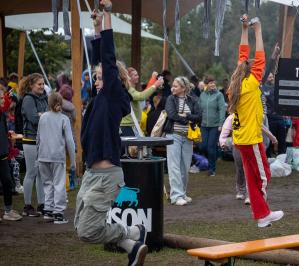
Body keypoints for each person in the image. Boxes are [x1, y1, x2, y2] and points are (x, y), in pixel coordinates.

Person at [74, 3, 148, 265]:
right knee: (79, 226)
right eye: (95, 77)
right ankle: (132, 247)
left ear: (114, 78)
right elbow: (98, 60)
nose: (95, 81)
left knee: (87, 231)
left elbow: (107, 56)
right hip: (91, 175)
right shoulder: (98, 99)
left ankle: (131, 232)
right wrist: (95, 27)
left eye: (100, 77)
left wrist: (106, 16)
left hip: (106, 177)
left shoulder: (116, 97)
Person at [227, 15, 284, 228]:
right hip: (250, 139)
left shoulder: (237, 83)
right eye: (254, 65)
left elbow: (243, 54)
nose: (254, 64)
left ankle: (262, 216)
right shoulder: (250, 83)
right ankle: (263, 213)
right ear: (252, 71)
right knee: (264, 176)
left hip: (243, 138)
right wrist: (258, 30)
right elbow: (260, 55)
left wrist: (244, 29)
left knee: (253, 177)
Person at [37, 93, 75, 224]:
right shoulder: (64, 119)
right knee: (59, 184)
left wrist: (38, 155)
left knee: (47, 184)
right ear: (61, 103)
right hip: (57, 157)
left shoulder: (42, 117)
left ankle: (48, 210)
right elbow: (70, 141)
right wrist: (73, 160)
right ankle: (58, 213)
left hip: (42, 156)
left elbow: (38, 138)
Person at [164, 76, 201, 206]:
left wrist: (188, 116)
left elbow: (199, 116)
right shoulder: (170, 99)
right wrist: (187, 119)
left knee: (185, 166)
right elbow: (171, 114)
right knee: (174, 166)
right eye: (172, 85)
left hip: (188, 137)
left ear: (183, 88)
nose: (172, 88)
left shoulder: (193, 100)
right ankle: (176, 196)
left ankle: (183, 193)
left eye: (175, 86)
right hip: (173, 135)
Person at [21, 73, 48, 217]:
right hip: (30, 140)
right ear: (31, 85)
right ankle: (27, 206)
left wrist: (41, 115)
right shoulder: (28, 99)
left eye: (43, 84)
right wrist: (43, 116)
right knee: (31, 172)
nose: (42, 86)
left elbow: (48, 116)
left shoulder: (44, 98)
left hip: (42, 140)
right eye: (39, 84)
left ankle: (41, 204)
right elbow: (32, 118)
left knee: (40, 174)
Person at [0, 88, 23, 221]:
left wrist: (9, 136)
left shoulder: (2, 115)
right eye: (2, 98)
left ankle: (8, 211)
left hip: (3, 154)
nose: (5, 100)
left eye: (4, 97)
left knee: (8, 182)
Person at [199, 75, 226, 176]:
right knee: (203, 146)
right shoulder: (202, 95)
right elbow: (199, 109)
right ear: (206, 85)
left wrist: (221, 123)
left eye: (213, 82)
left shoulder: (219, 95)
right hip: (203, 125)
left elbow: (222, 110)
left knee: (211, 147)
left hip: (215, 125)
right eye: (210, 83)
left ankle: (212, 169)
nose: (213, 84)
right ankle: (210, 161)